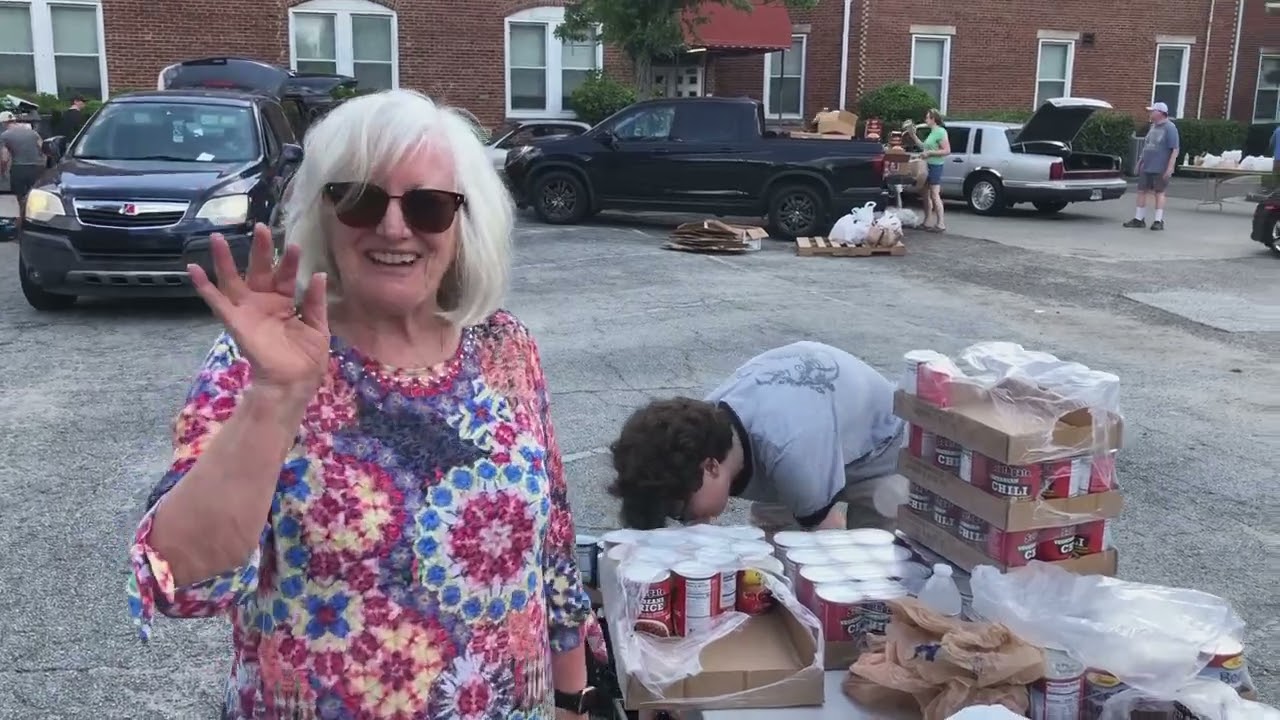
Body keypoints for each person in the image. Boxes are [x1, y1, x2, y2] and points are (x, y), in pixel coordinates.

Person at [125, 89, 605, 720]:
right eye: (361, 199)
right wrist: (276, 394)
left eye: (430, 206)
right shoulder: (262, 358)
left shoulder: (504, 347)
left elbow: (553, 546)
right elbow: (184, 579)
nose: (393, 227)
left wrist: (573, 693)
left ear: (465, 225)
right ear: (323, 213)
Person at [608, 341, 906, 534]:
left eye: (681, 511)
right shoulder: (704, 425)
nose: (683, 522)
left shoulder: (791, 455)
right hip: (811, 425)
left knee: (867, 563)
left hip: (878, 444)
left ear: (712, 467)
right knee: (774, 552)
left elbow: (826, 544)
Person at [1125, 101, 1180, 232]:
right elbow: (1147, 147)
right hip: (1147, 165)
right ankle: (1139, 219)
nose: (1150, 114)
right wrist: (1140, 162)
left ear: (1160, 113)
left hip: (1160, 166)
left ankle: (1158, 220)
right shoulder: (1153, 127)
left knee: (1159, 192)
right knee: (1141, 191)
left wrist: (1170, 167)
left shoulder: (1170, 128)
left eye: (1152, 111)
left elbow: (1175, 149)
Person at [905, 109, 950, 233]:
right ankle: (927, 221)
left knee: (935, 194)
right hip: (926, 165)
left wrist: (930, 153)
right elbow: (923, 147)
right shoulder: (932, 132)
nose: (925, 120)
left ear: (933, 119)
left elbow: (946, 150)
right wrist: (913, 135)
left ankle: (940, 223)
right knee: (925, 194)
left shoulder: (941, 132)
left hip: (936, 165)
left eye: (927, 118)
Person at [0, 110, 45, 234]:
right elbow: (43, 148)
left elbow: (4, 157)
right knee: (36, 199)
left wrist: (2, 171)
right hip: (37, 168)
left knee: (21, 200)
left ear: (3, 123)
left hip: (19, 169)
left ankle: (22, 228)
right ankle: (38, 226)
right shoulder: (33, 132)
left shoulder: (5, 136)